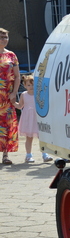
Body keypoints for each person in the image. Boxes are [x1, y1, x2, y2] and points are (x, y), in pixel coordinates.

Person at [13, 74, 52, 163]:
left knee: (41, 137)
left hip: (38, 118)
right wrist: (13, 102)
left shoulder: (39, 94)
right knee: (29, 138)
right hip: (28, 118)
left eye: (33, 84)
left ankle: (45, 154)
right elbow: (20, 106)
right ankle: (28, 155)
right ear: (25, 85)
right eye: (29, 85)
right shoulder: (23, 95)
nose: (31, 87)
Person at [0, 27, 20, 165]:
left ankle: (5, 155)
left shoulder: (11, 55)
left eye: (6, 37)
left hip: (7, 97)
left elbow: (18, 76)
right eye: (1, 37)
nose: (4, 40)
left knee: (7, 124)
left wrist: (14, 93)